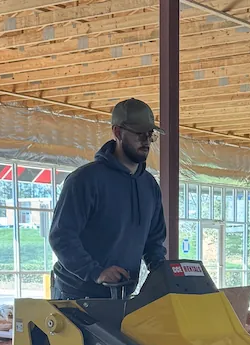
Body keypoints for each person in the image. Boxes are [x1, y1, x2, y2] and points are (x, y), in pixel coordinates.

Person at [48, 98, 167, 300]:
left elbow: (154, 241)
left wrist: (162, 273)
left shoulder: (149, 186)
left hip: (120, 294)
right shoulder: (85, 180)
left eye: (150, 135)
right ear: (118, 133)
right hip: (77, 295)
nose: (146, 141)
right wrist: (96, 272)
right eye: (139, 134)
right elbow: (62, 237)